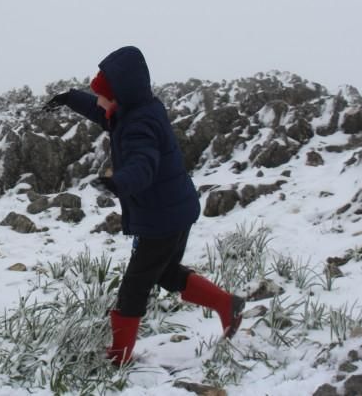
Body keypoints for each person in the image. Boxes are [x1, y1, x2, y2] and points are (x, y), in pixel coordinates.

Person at [44, 46, 245, 365]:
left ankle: (118, 357)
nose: (98, 102)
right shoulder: (134, 110)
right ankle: (226, 304)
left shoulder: (138, 126)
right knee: (164, 273)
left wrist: (118, 182)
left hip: (162, 218)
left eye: (102, 95)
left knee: (134, 288)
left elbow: (143, 163)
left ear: (120, 95)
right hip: (175, 211)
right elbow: (101, 111)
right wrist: (70, 97)